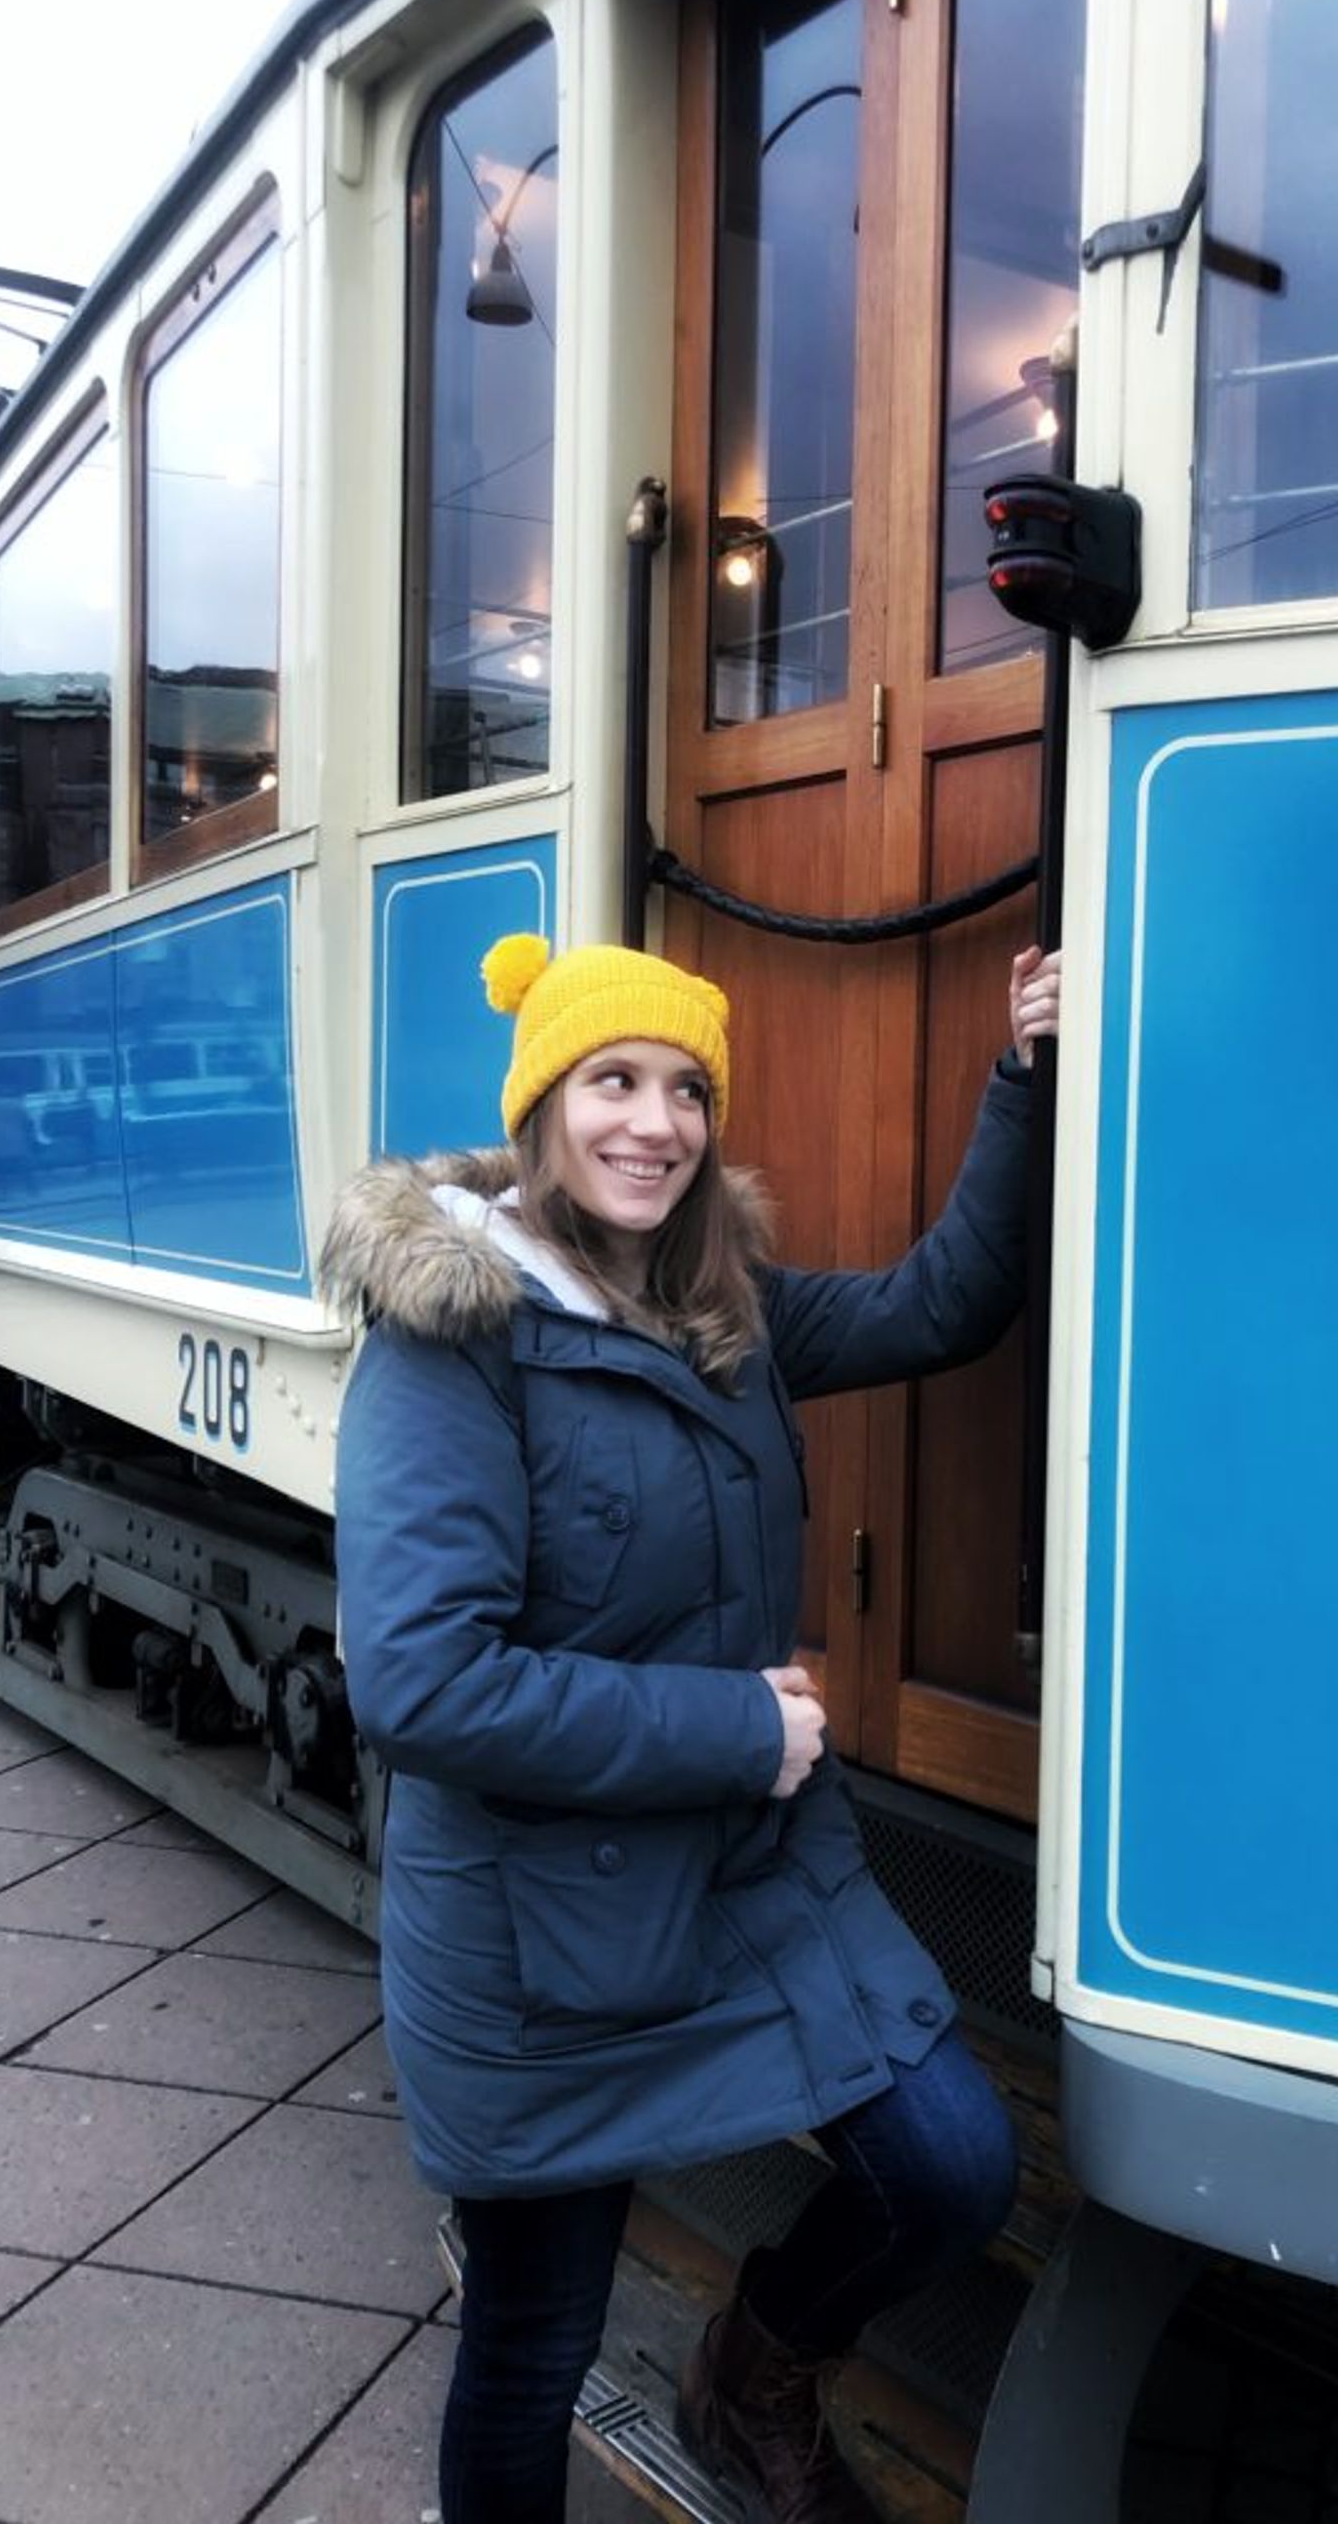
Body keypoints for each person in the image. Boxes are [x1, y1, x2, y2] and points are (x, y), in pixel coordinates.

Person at [320, 933, 1062, 2524]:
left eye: (684, 1091)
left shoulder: (720, 1306)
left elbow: (947, 1302)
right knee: (534, 2345)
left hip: (740, 1869)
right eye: (614, 1082)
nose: (655, 1124)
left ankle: (755, 2371)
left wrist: (1025, 1078)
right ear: (543, 1111)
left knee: (950, 2167)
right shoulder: (453, 1343)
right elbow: (422, 1682)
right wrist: (735, 1727)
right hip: (543, 1919)